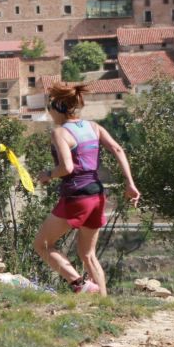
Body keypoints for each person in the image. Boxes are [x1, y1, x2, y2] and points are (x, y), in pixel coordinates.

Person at [34, 83, 140, 295]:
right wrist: (130, 183)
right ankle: (102, 303)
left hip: (76, 196)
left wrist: (48, 175)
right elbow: (118, 149)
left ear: (58, 108)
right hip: (97, 195)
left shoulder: (60, 133)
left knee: (43, 245)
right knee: (88, 255)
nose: (49, 114)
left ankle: (80, 285)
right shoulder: (94, 127)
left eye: (49, 109)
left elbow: (67, 167)